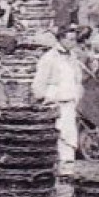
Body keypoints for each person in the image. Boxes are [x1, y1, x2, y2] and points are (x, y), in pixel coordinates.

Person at [31, 28, 82, 163]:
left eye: (74, 40)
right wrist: (42, 97)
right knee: (55, 133)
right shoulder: (49, 58)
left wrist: (77, 94)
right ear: (61, 39)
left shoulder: (73, 57)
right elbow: (40, 80)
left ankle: (67, 165)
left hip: (69, 100)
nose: (73, 42)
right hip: (54, 100)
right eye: (70, 39)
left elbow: (77, 78)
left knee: (69, 134)